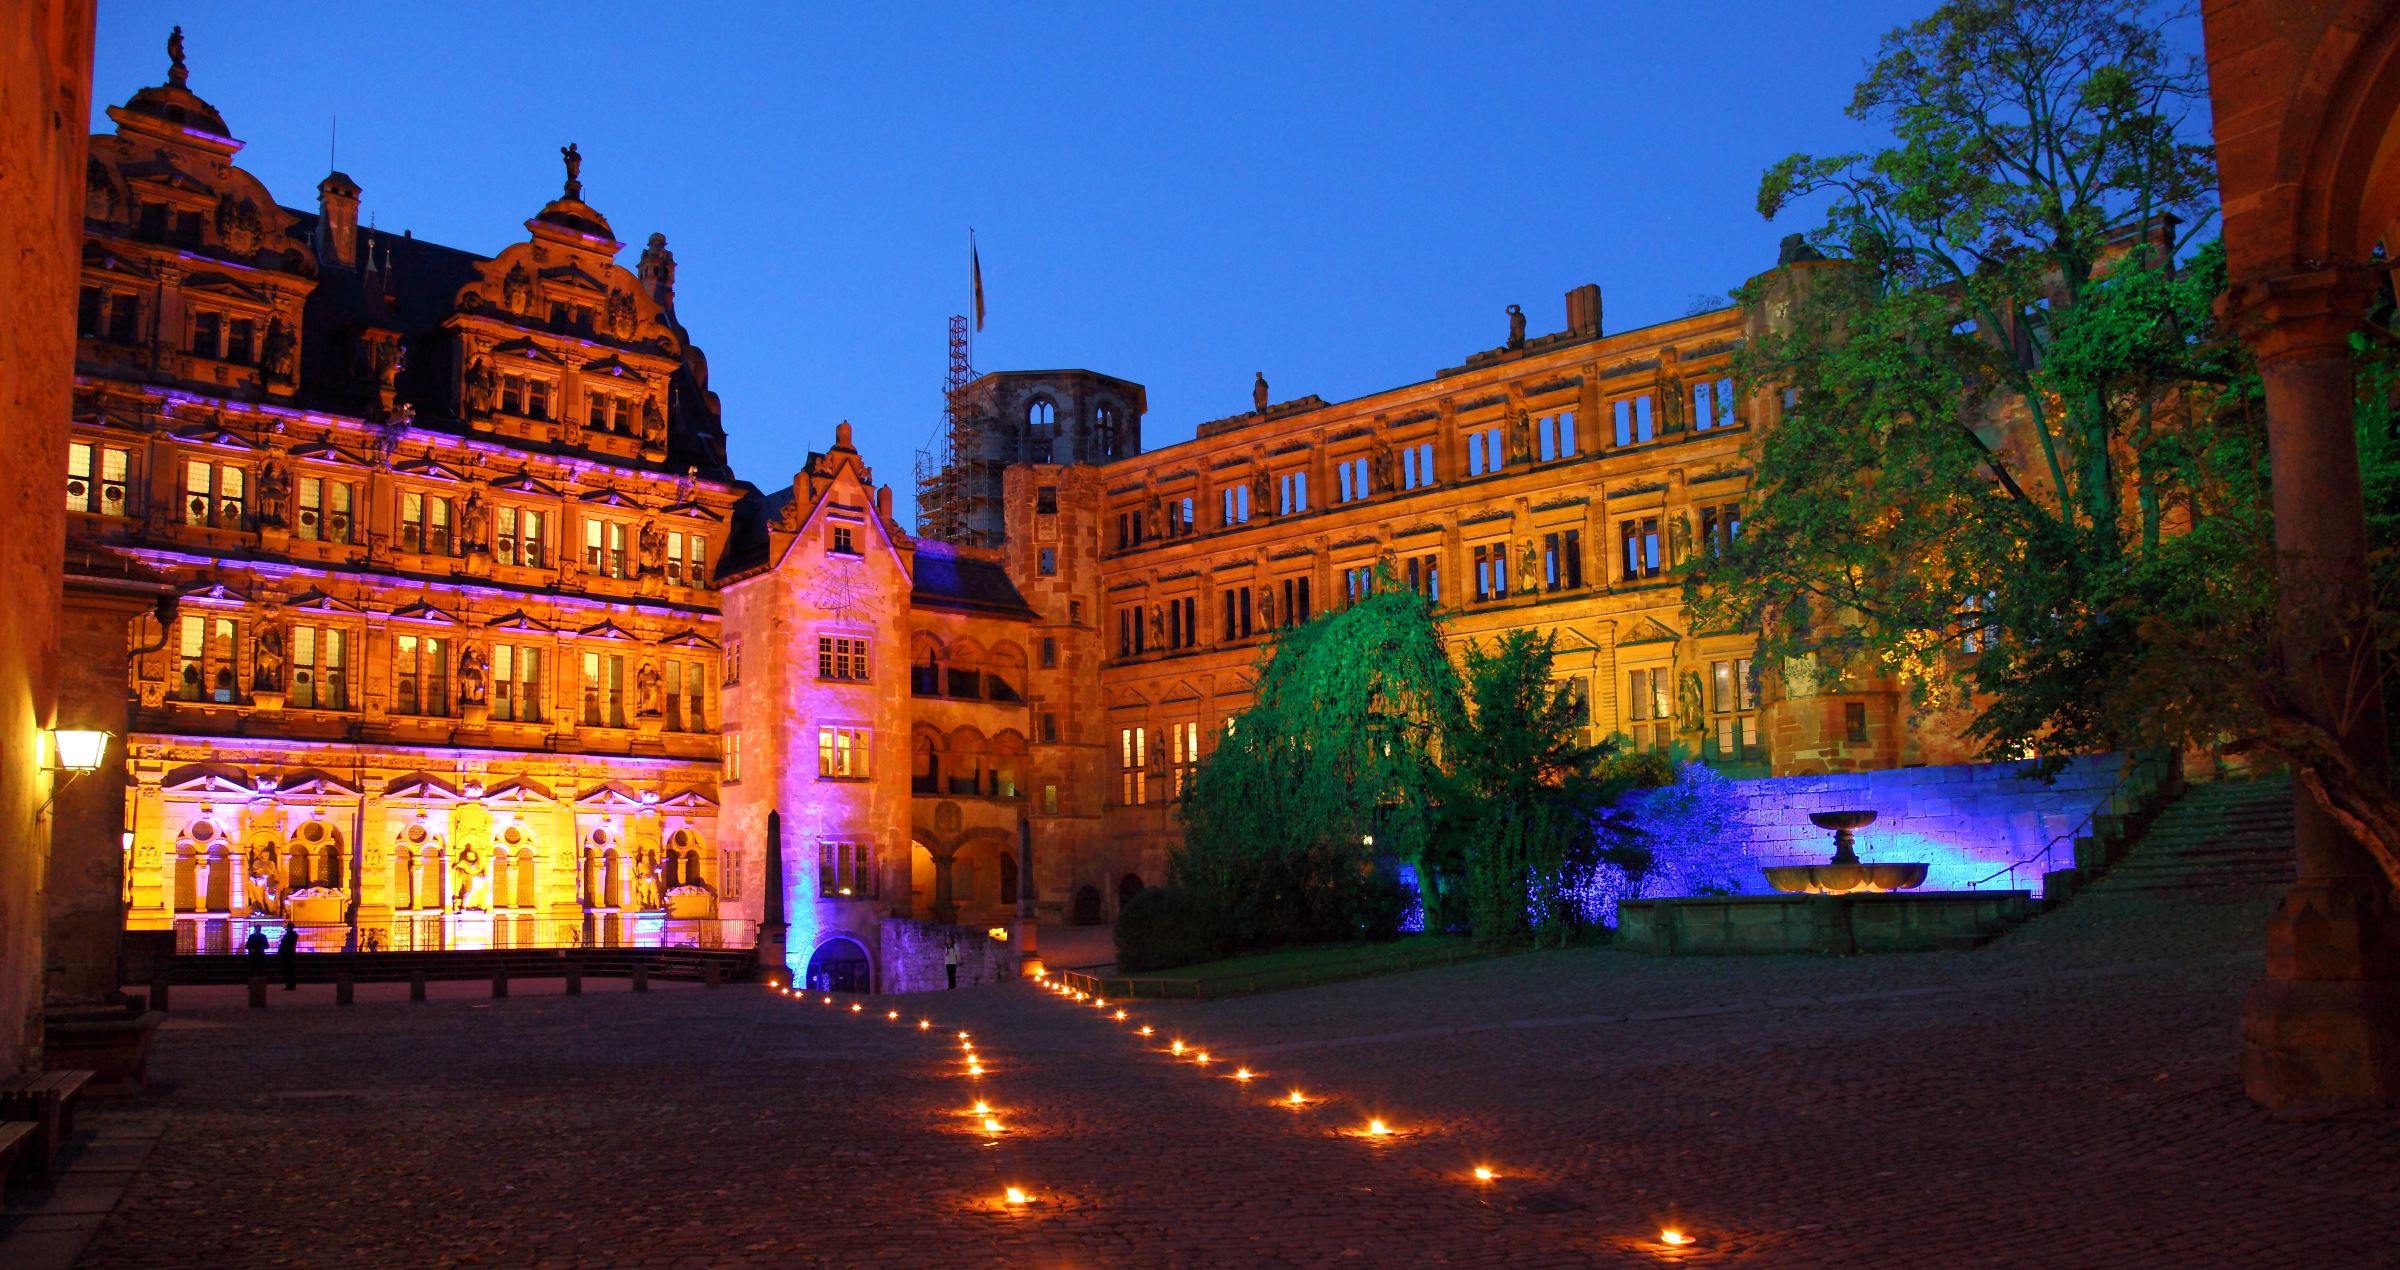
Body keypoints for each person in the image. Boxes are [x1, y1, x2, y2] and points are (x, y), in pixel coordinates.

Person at [277, 921, 298, 991]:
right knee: (291, 970)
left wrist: (280, 951)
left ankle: (289, 985)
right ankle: (291, 985)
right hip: (291, 953)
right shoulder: (293, 935)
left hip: (287, 954)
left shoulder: (289, 935)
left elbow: (284, 944)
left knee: (288, 970)